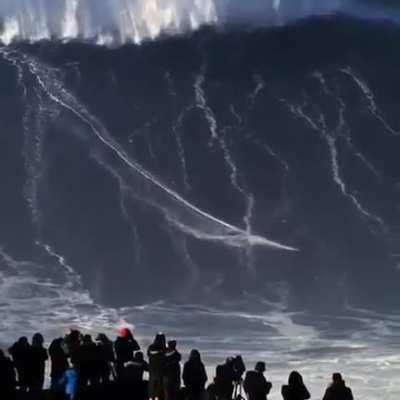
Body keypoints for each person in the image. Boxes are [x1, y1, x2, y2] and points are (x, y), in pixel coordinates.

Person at [148, 333, 167, 400]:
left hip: (159, 370)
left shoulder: (164, 348)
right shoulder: (152, 347)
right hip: (155, 370)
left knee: (157, 387)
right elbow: (150, 352)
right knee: (154, 387)